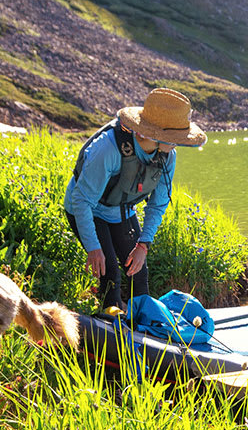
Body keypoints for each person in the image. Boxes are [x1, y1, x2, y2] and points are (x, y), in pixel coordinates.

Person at [65, 88, 207, 310]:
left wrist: (143, 245)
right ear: (151, 135)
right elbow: (81, 201)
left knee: (138, 273)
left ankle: (141, 328)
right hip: (86, 208)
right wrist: (93, 248)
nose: (177, 144)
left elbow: (158, 204)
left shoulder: (168, 155)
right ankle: (110, 322)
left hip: (121, 210)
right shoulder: (108, 149)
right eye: (174, 139)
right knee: (109, 270)